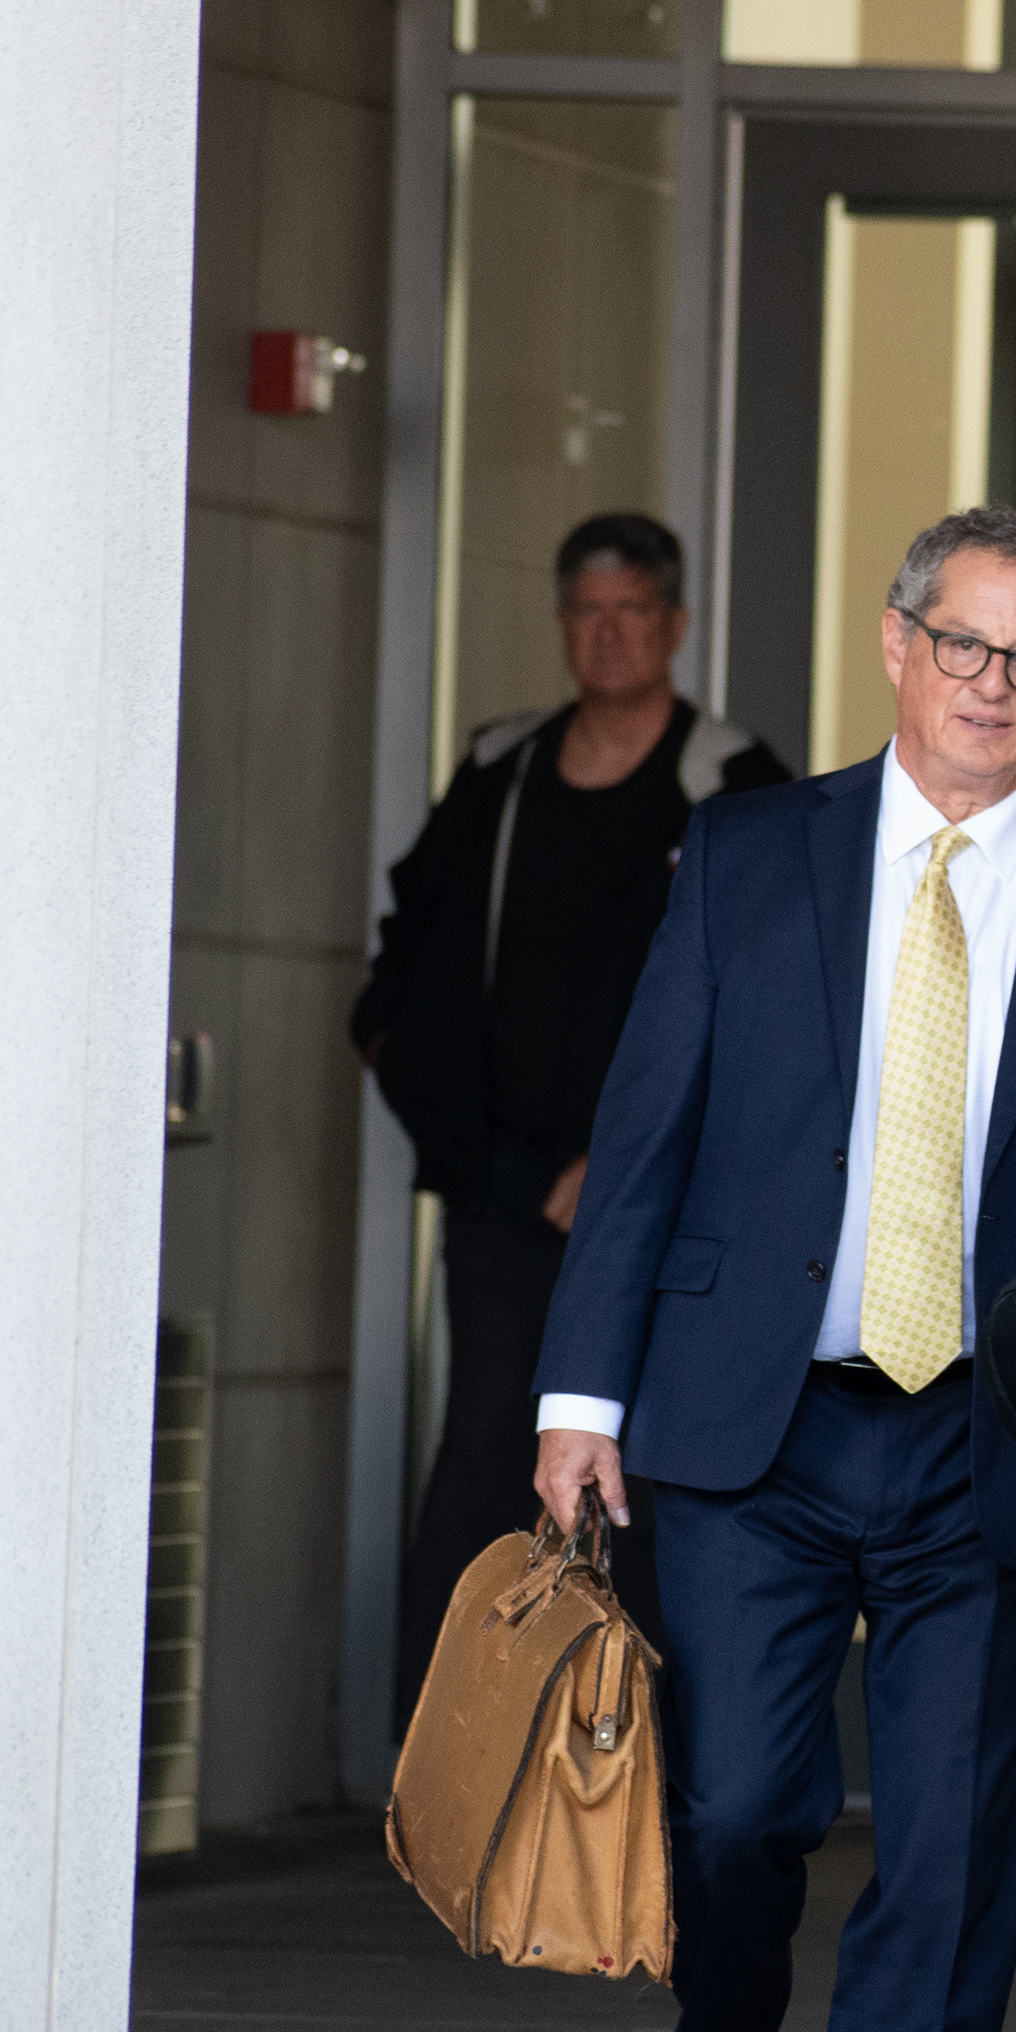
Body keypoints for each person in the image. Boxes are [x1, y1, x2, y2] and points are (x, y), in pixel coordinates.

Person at [527, 506, 1016, 2032]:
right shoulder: (750, 851)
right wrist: (582, 1396)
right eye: (963, 644)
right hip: (757, 1416)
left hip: (985, 1434)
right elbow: (647, 1127)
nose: (990, 685)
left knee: (949, 1858)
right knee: (735, 1812)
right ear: (898, 645)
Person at [353, 510, 788, 1713]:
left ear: (675, 624)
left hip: (663, 1212)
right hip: (500, 1200)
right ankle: (445, 1751)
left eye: (630, 610)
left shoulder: (733, 786)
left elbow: (769, 1014)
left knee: (634, 1477)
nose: (606, 634)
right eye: (585, 612)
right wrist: (476, 1146)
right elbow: (410, 973)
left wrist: (628, 1162)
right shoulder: (500, 770)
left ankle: (621, 1755)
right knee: (486, 1452)